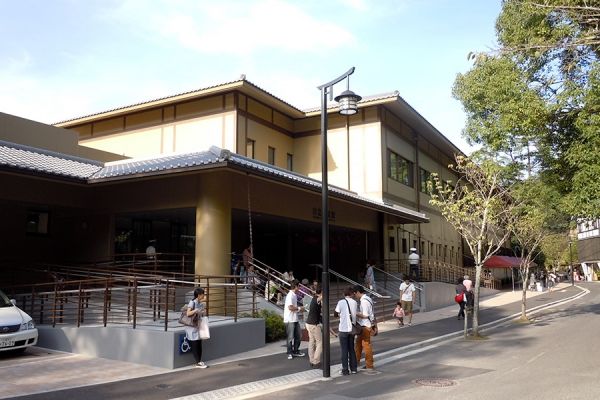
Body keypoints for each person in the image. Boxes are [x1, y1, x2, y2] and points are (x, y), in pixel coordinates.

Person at [334, 287, 358, 375]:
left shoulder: (341, 302)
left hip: (343, 329)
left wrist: (341, 314)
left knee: (344, 350)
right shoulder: (355, 302)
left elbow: (335, 313)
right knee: (351, 349)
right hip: (352, 329)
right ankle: (354, 368)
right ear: (351, 294)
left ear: (344, 294)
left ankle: (345, 370)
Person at [185, 288, 208, 368]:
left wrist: (201, 312)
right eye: (203, 294)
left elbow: (200, 312)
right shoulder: (192, 302)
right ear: (199, 295)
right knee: (195, 344)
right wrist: (196, 310)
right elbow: (188, 313)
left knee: (199, 344)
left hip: (197, 326)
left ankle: (199, 361)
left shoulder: (199, 302)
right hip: (192, 327)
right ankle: (198, 362)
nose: (204, 296)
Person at [354, 285, 376, 371]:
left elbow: (365, 315)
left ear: (358, 292)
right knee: (358, 344)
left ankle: (369, 364)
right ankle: (356, 361)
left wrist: (355, 313)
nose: (355, 295)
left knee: (366, 346)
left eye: (355, 293)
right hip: (365, 325)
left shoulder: (364, 301)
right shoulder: (368, 299)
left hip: (365, 326)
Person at [283, 280, 305, 360]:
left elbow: (293, 307)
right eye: (299, 286)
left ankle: (295, 351)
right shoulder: (290, 295)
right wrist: (299, 308)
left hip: (294, 319)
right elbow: (290, 307)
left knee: (298, 336)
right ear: (295, 286)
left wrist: (299, 309)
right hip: (289, 319)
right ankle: (290, 352)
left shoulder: (294, 295)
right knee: (290, 337)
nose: (299, 288)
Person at [305, 286, 323, 368]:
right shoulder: (317, 299)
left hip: (308, 323)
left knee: (311, 341)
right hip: (314, 324)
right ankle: (316, 361)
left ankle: (311, 360)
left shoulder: (313, 298)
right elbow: (321, 298)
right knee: (319, 342)